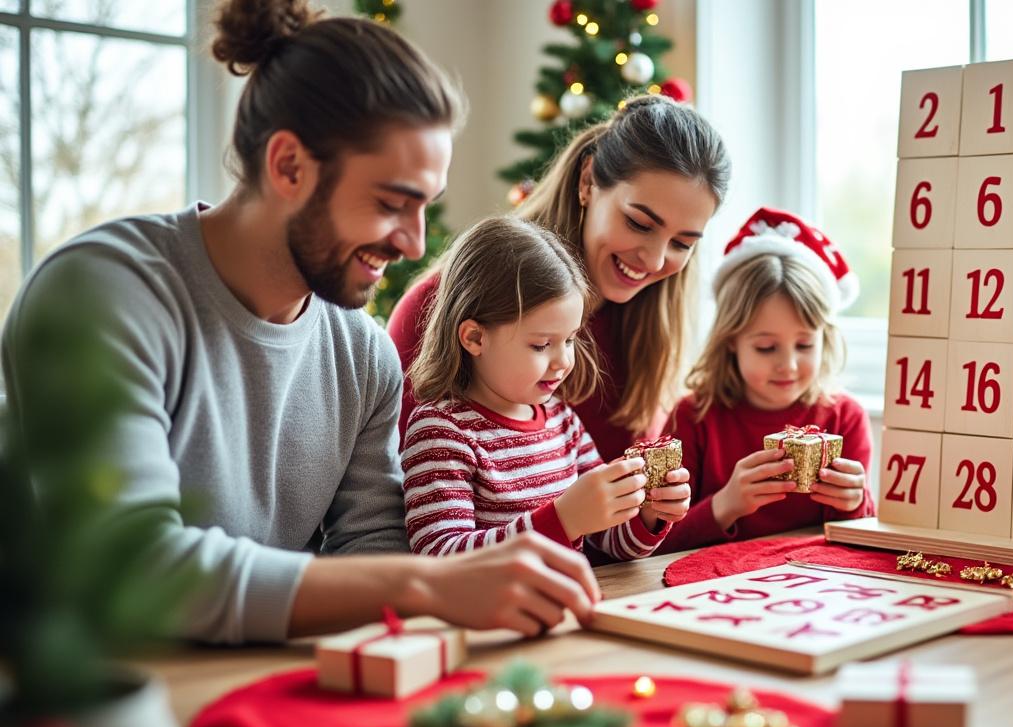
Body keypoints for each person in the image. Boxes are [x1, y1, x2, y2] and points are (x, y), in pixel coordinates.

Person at [1, 0, 598, 643]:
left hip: (264, 678)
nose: (416, 244)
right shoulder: (102, 291)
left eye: (425, 207)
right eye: (393, 203)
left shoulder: (364, 354)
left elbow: (370, 549)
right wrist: (425, 584)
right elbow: (132, 566)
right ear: (288, 166)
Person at [389, 95, 730, 461]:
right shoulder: (442, 306)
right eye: (638, 224)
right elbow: (399, 488)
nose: (655, 259)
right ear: (587, 180)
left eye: (682, 243)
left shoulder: (647, 331)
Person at [401, 216, 690, 557]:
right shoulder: (441, 432)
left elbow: (609, 540)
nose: (563, 361)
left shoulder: (562, 421)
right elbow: (440, 558)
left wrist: (647, 515)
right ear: (475, 338)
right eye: (541, 345)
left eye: (569, 340)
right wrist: (562, 520)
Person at [658, 208, 875, 552]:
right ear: (731, 341)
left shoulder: (843, 419)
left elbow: (860, 542)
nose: (787, 365)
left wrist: (854, 502)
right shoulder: (693, 418)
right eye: (766, 347)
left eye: (804, 344)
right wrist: (725, 504)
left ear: (825, 339)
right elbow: (658, 543)